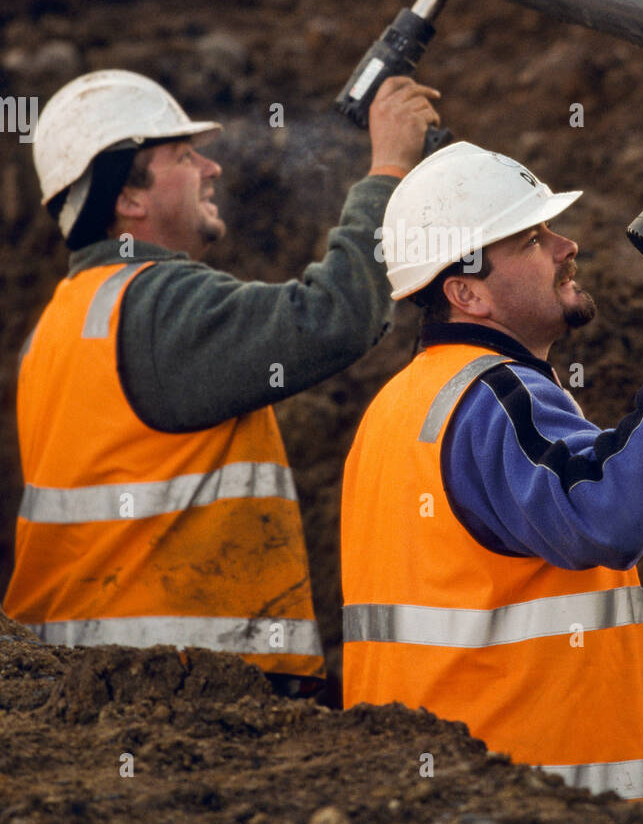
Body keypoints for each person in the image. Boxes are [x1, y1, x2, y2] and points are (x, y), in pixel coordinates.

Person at [340, 142, 643, 794]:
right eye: (532, 239)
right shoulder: (491, 398)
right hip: (532, 802)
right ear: (466, 292)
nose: (566, 245)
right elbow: (607, 510)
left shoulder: (402, 407)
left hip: (442, 804)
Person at [4, 67, 439, 697]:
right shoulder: (153, 305)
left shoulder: (53, 330)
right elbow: (334, 318)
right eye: (184, 156)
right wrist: (389, 173)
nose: (212, 168)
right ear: (128, 199)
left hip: (91, 685)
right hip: (185, 685)